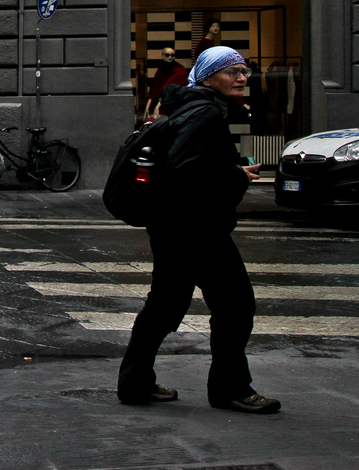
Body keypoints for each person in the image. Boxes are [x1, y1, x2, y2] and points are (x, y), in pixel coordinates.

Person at [117, 45, 279, 414]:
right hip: (197, 228)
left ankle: (135, 383)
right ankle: (230, 388)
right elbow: (183, 170)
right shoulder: (205, 112)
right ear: (208, 77)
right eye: (231, 71)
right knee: (236, 306)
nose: (241, 78)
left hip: (173, 224)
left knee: (164, 306)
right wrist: (235, 175)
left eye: (243, 70)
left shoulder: (192, 106)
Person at [144, 48, 188, 120]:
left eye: (172, 55)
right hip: (160, 103)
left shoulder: (179, 70)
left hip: (172, 104)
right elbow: (155, 87)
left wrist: (157, 107)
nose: (170, 57)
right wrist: (148, 106)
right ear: (162, 56)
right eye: (167, 55)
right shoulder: (162, 68)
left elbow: (169, 89)